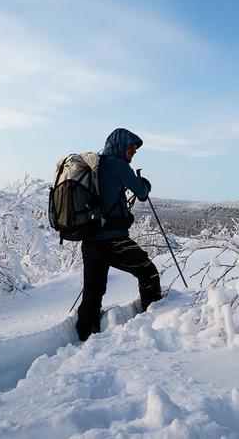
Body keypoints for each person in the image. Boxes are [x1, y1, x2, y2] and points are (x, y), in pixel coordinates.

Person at [75, 128, 162, 341]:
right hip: (113, 239)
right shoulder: (119, 165)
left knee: (93, 292)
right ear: (121, 146)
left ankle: (84, 336)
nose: (134, 152)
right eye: (132, 147)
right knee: (148, 273)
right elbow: (141, 192)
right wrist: (145, 184)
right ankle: (154, 323)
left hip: (90, 240)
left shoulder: (97, 165)